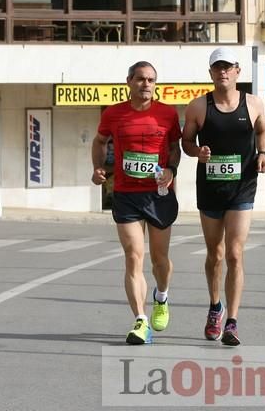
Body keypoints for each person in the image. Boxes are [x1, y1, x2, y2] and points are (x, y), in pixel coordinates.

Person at [182, 47, 265, 346]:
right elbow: (186, 141)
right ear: (210, 73)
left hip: (242, 186)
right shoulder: (197, 106)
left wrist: (263, 154)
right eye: (217, 68)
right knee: (215, 254)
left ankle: (231, 322)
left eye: (228, 67)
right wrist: (197, 152)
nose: (222, 72)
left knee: (234, 253)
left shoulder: (254, 103)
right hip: (210, 187)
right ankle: (214, 306)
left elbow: (263, 131)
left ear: (237, 71)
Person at [91, 61, 181, 345]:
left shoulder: (167, 114)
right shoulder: (114, 113)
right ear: (129, 81)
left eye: (151, 80)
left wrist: (171, 170)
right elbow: (100, 140)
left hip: (159, 193)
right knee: (133, 257)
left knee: (160, 260)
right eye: (141, 79)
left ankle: (162, 296)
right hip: (126, 193)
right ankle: (141, 320)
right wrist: (98, 167)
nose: (146, 84)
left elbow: (174, 149)